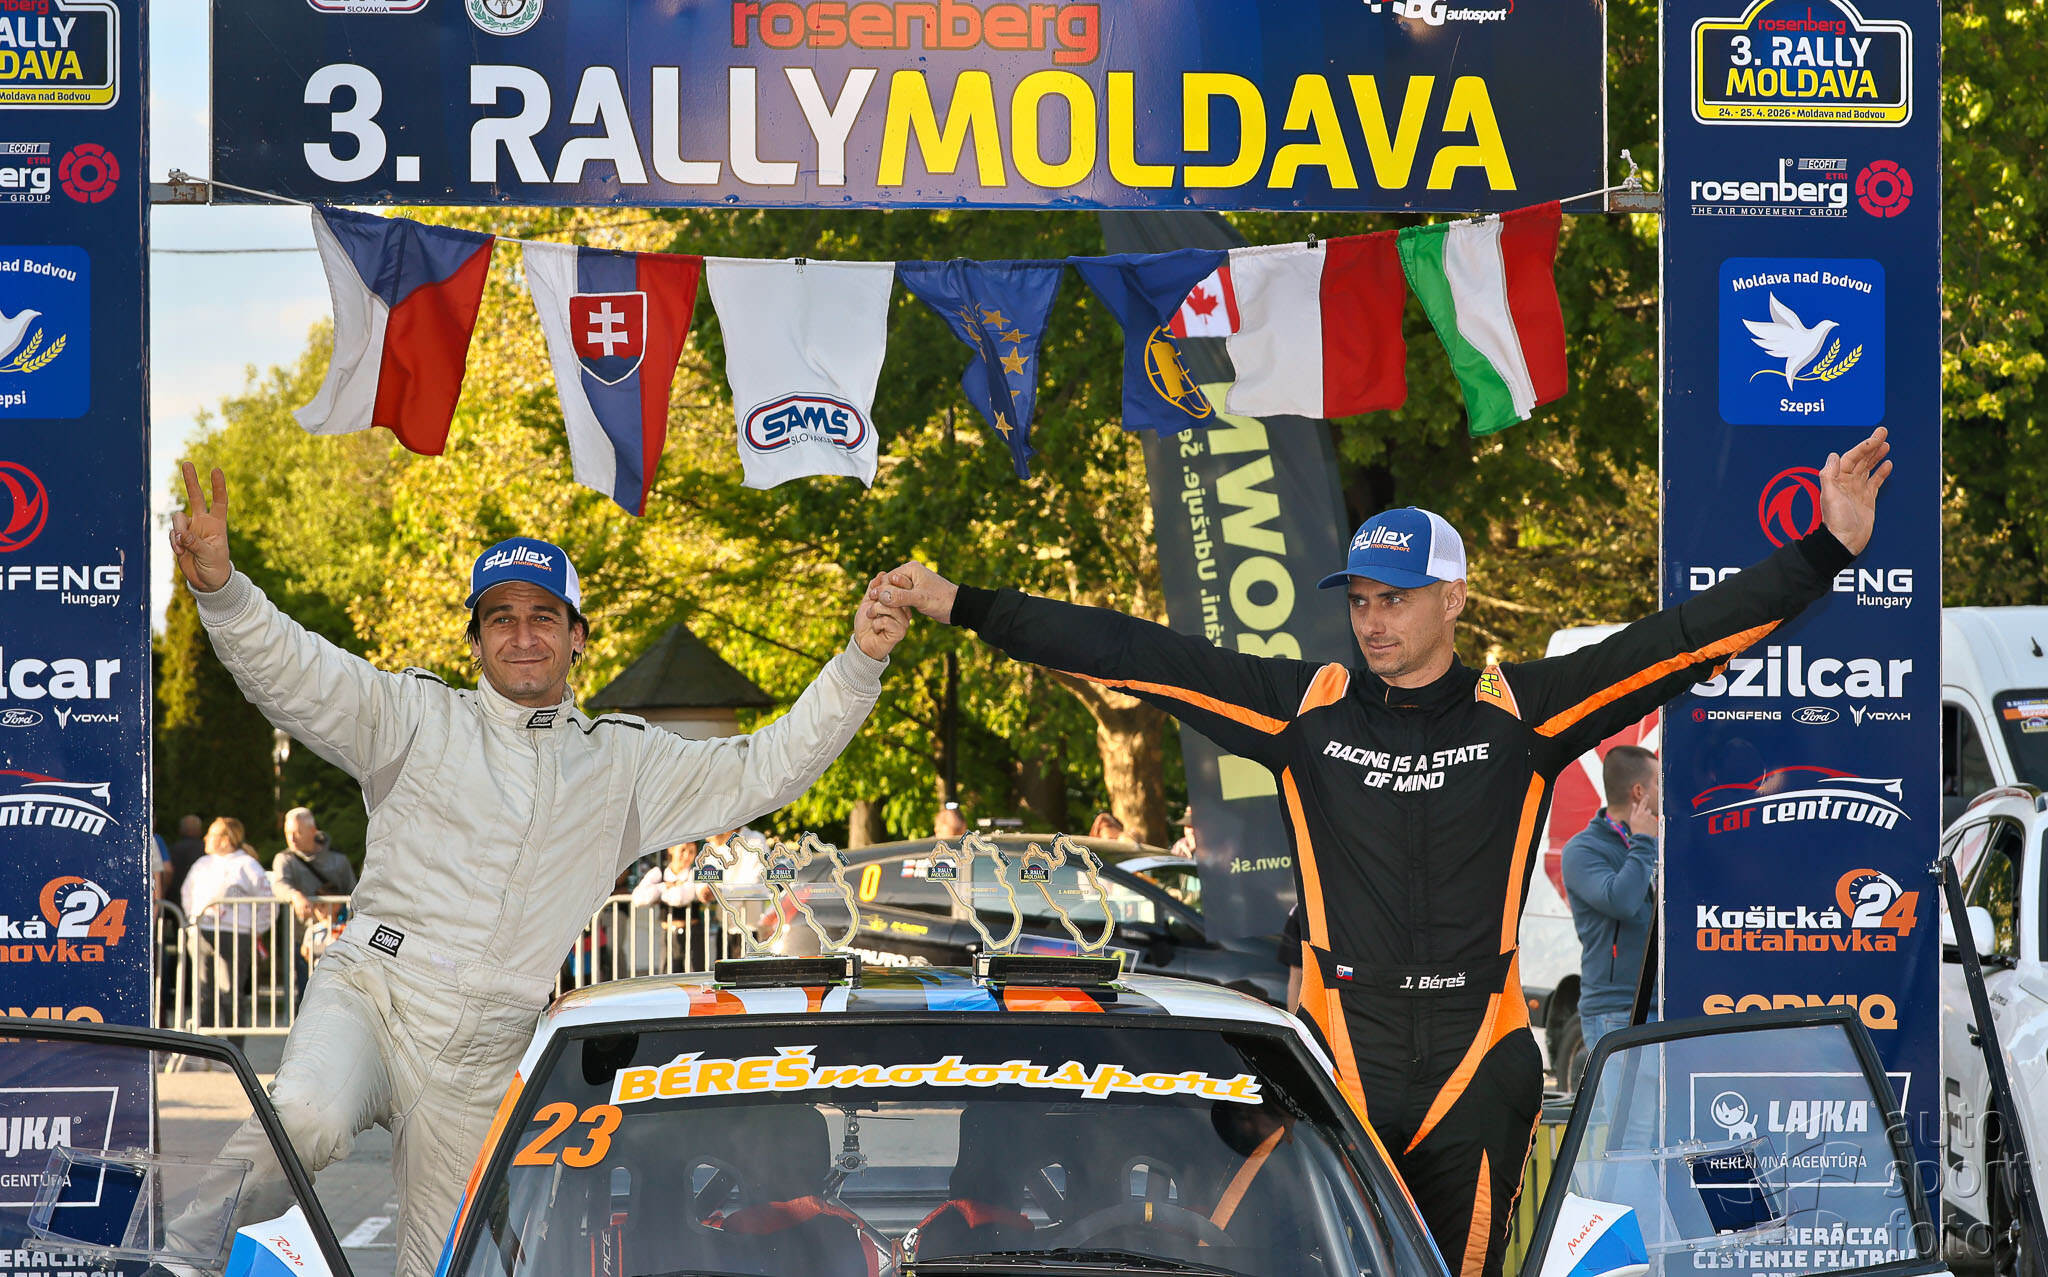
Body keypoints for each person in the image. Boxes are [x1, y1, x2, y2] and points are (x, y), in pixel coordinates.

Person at [876, 428, 1892, 1277]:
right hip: (1338, 1052)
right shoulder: (1305, 710)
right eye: (1358, 599)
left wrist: (1825, 549)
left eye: (1394, 598)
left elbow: (1680, 640)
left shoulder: (1523, 711)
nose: (1371, 620)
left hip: (1473, 1058)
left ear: (1453, 599)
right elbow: (1132, 653)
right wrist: (964, 603)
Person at [168, 461, 906, 1277]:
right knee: (303, 1117)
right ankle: (179, 1263)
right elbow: (296, 671)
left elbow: (767, 764)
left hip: (490, 1048)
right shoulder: (413, 715)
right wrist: (222, 591)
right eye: (502, 618)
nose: (523, 635)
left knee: (458, 1265)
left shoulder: (624, 762)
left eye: (543, 616)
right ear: (475, 639)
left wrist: (858, 663)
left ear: (577, 634)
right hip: (373, 991)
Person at [1560, 745, 1661, 1065]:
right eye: (1659, 781)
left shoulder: (1660, 839)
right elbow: (1621, 902)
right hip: (1617, 1010)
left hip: (1664, 1004)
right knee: (1630, 1101)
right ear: (1639, 792)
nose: (1666, 788)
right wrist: (1642, 843)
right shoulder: (1583, 850)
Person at [180, 816, 272, 1048]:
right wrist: (193, 921)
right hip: (202, 932)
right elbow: (187, 893)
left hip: (235, 934)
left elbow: (268, 902)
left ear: (225, 839)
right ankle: (205, 1050)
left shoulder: (247, 865)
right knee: (203, 992)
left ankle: (233, 1050)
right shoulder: (201, 864)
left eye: (211, 834)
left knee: (230, 992)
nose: (205, 838)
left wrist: (255, 930)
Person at [272, 806, 358, 1003]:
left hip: (337, 939)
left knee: (337, 995)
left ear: (312, 831)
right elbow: (279, 885)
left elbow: (354, 894)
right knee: (304, 996)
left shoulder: (338, 861)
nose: (291, 838)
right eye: (287, 832)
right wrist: (295, 895)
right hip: (302, 939)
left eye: (297, 832)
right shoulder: (284, 859)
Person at [630, 841, 705, 972]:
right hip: (668, 933)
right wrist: (664, 886)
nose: (686, 856)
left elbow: (681, 897)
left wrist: (660, 894)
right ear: (671, 849)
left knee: (694, 975)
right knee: (668, 975)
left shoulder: (695, 873)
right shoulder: (659, 872)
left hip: (693, 933)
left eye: (691, 852)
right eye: (683, 850)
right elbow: (638, 897)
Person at [167, 812, 206, 900]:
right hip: (201, 896)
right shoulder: (207, 849)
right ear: (199, 830)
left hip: (175, 898)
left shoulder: (173, 849)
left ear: (181, 830)